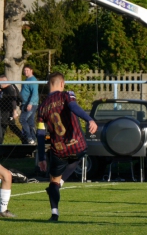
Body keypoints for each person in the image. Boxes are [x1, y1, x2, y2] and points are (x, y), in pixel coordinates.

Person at [36, 72, 98, 222]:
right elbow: (73, 106)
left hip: (59, 150)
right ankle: (60, 183)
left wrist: (42, 157)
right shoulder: (66, 95)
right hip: (77, 145)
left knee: (53, 182)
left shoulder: (42, 108)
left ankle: (54, 213)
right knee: (80, 154)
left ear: (49, 84)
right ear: (62, 83)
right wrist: (89, 119)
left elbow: (40, 134)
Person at [0, 75, 24, 144]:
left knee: (5, 125)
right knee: (9, 126)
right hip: (3, 110)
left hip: (8, 110)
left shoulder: (10, 88)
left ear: (4, 81)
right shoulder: (4, 88)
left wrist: (14, 111)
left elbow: (13, 100)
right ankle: (23, 139)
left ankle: (24, 139)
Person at [19, 65, 39, 144]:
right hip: (25, 103)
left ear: (31, 71)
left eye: (27, 70)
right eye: (24, 70)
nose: (25, 72)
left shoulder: (32, 80)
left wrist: (30, 104)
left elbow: (34, 93)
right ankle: (33, 139)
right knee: (30, 121)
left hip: (31, 104)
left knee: (22, 119)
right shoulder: (27, 80)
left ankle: (29, 137)